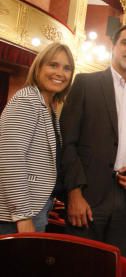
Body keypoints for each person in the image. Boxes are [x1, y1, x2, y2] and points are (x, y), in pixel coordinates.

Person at [60, 23, 126, 258]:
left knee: (116, 275)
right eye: (125, 42)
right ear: (113, 47)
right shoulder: (86, 84)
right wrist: (74, 194)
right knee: (79, 271)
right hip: (87, 197)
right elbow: (68, 142)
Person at [0, 42, 74, 234]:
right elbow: (10, 160)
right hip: (15, 215)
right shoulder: (27, 100)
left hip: (36, 207)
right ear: (38, 67)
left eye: (67, 68)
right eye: (53, 65)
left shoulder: (48, 107)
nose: (60, 73)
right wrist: (23, 217)